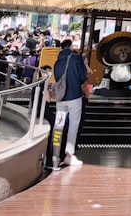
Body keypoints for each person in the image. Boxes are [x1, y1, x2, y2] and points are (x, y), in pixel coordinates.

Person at [52, 39, 88, 167]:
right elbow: (83, 77)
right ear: (71, 46)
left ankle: (55, 154)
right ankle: (69, 154)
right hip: (74, 96)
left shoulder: (57, 62)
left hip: (60, 99)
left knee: (59, 124)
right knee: (73, 125)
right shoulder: (76, 58)